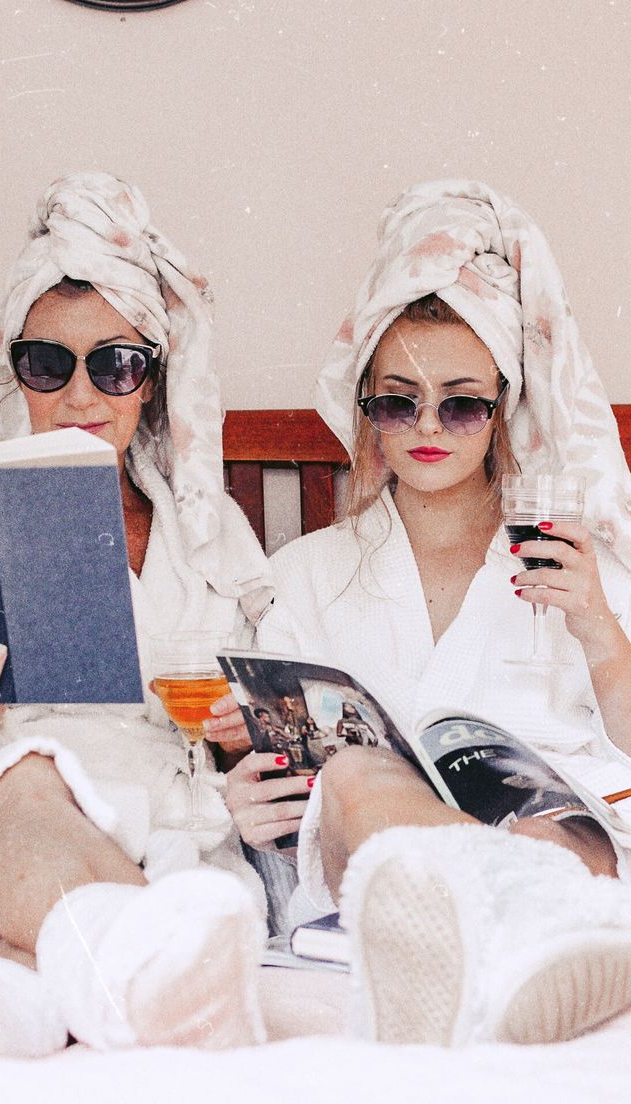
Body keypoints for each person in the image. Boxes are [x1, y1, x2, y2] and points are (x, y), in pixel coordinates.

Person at [216, 179, 631, 1046]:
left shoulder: (579, 556)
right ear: (365, 411)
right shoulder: (303, 576)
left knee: (568, 836)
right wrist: (250, 802)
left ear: (504, 405)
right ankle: (528, 953)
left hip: (558, 836)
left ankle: (492, 953)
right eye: (398, 400)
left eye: (462, 401)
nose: (428, 425)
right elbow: (293, 791)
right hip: (383, 850)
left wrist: (597, 626)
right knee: (360, 780)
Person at [0, 171, 274, 1055]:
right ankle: (143, 977)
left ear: (151, 379)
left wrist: (234, 731)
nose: (80, 394)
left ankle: (23, 1004)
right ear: (15, 369)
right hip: (0, 817)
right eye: (47, 363)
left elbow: (273, 718)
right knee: (28, 774)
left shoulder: (212, 537)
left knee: (56, 917)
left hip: (170, 826)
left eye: (116, 363)